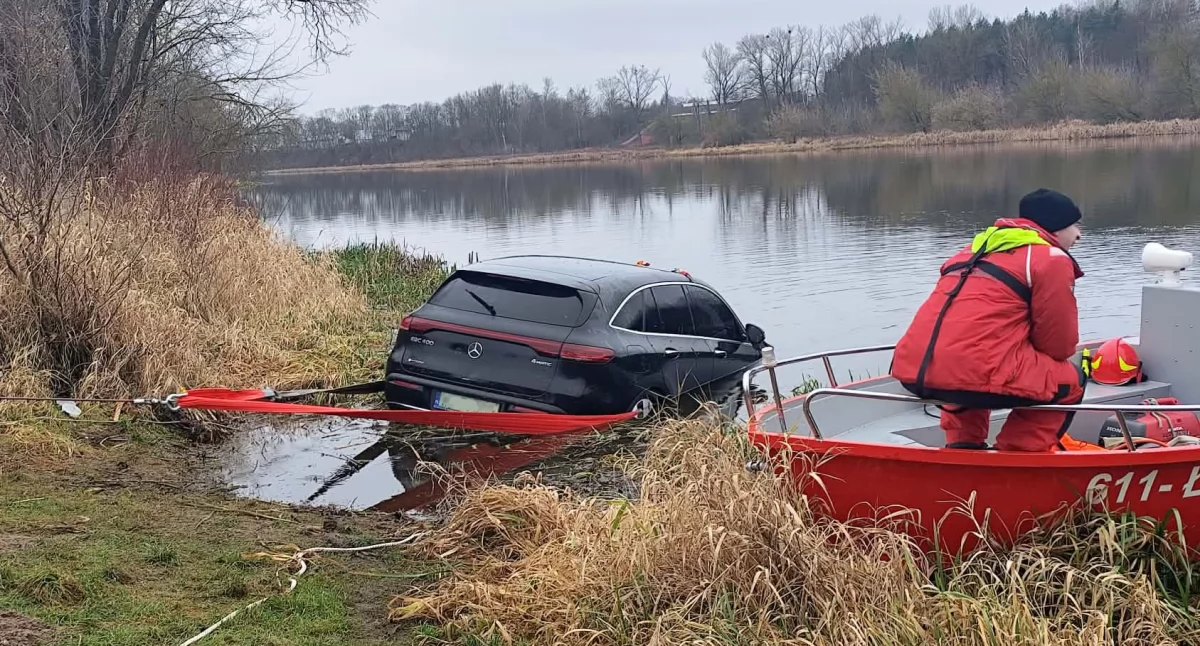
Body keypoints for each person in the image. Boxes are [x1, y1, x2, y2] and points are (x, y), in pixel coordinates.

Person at [890, 188, 1089, 452]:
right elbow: (1058, 346)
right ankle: (1016, 456)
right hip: (971, 371)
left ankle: (963, 448)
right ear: (1054, 228)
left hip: (915, 369)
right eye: (1074, 225)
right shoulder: (1050, 259)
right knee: (1071, 380)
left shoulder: (970, 251)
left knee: (968, 367)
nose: (1078, 234)